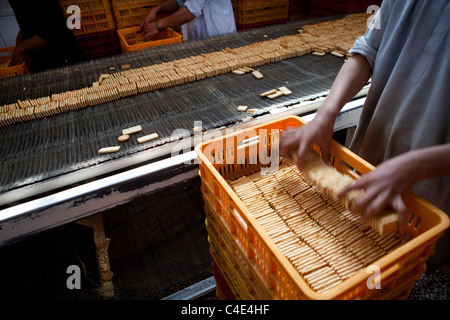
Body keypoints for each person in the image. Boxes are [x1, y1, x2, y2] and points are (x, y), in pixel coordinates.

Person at [280, 0, 450, 270]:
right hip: (368, 158)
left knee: (405, 271)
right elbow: (367, 50)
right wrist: (326, 113)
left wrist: (418, 166)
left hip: (431, 199)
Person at [8, 0, 86, 73]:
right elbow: (35, 16)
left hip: (61, 59)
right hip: (41, 60)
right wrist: (23, 33)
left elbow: (56, 30)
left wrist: (20, 48)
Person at [140, 0, 236, 41]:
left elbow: (190, 11)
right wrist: (157, 10)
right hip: (200, 41)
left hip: (220, 38)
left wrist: (158, 25)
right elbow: (180, 1)